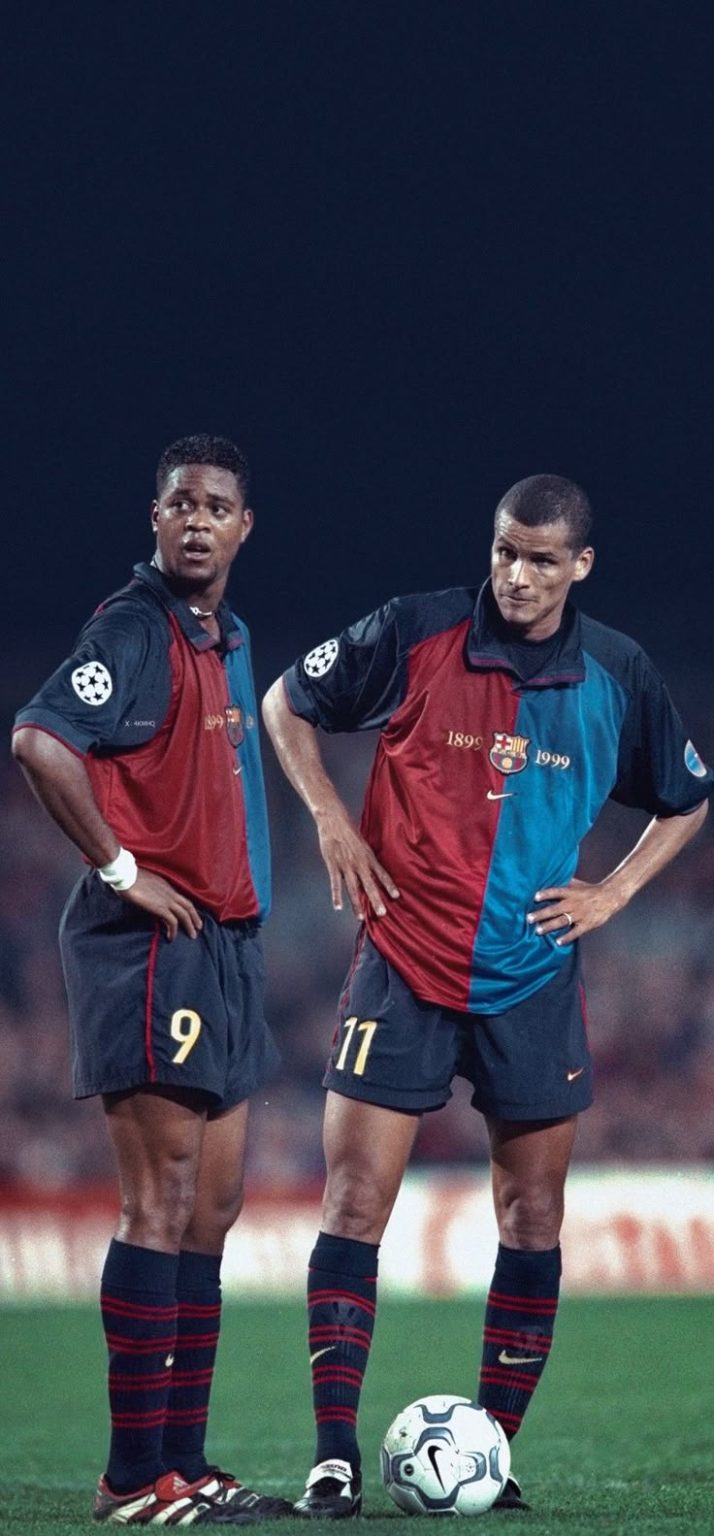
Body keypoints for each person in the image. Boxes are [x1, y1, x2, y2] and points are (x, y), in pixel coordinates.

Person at [261, 473, 711, 1516]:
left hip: (533, 977)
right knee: (354, 1203)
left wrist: (614, 891)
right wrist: (330, 818)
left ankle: (493, 1455)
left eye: (542, 560)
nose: (516, 575)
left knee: (533, 1214)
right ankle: (333, 1457)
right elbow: (286, 701)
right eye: (506, 551)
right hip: (402, 961)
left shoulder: (618, 672)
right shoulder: (416, 631)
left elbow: (687, 797)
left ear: (580, 566)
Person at [12, 435, 293, 1526]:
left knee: (212, 1209)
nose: (196, 519)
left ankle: (185, 1464)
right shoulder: (132, 628)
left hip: (224, 944)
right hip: (149, 945)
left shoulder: (229, 636)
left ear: (244, 527)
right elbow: (41, 741)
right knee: (162, 1202)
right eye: (180, 502)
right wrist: (125, 870)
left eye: (216, 505)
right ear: (155, 517)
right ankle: (131, 1478)